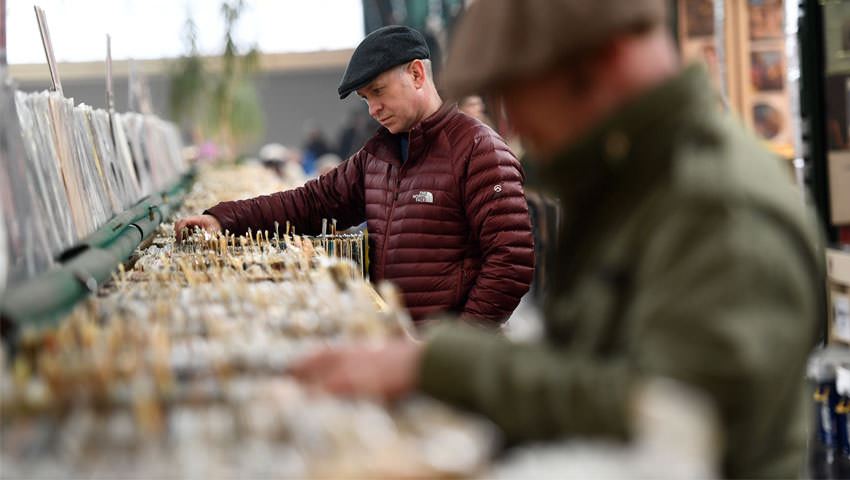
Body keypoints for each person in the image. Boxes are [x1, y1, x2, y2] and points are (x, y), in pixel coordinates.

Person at [289, 1, 824, 478]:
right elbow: (594, 364)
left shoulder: (716, 205)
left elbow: (671, 422)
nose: (515, 120)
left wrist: (436, 364)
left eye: (521, 91)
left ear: (600, 61)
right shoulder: (636, 180)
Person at [175, 25, 535, 325]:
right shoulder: (377, 155)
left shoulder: (479, 149)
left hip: (444, 361)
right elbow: (310, 203)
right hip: (397, 345)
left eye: (378, 92)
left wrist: (452, 350)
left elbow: (511, 260)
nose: (373, 109)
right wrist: (224, 219)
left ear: (417, 73)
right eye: (365, 98)